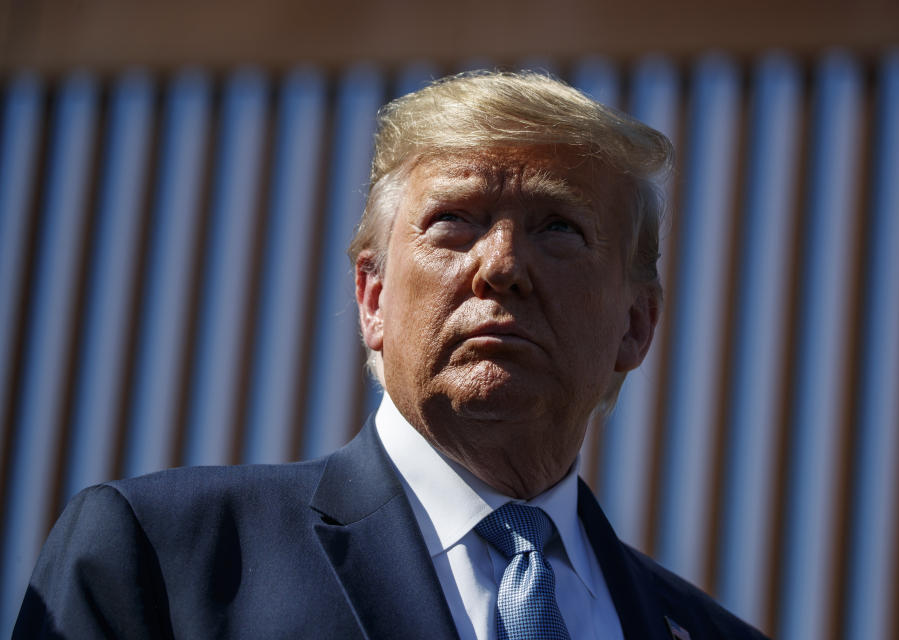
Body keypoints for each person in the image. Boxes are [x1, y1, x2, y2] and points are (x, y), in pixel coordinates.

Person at [15, 70, 767, 639]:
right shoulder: (166, 560)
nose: (500, 265)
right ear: (373, 298)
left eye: (559, 229)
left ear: (637, 324)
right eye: (454, 223)